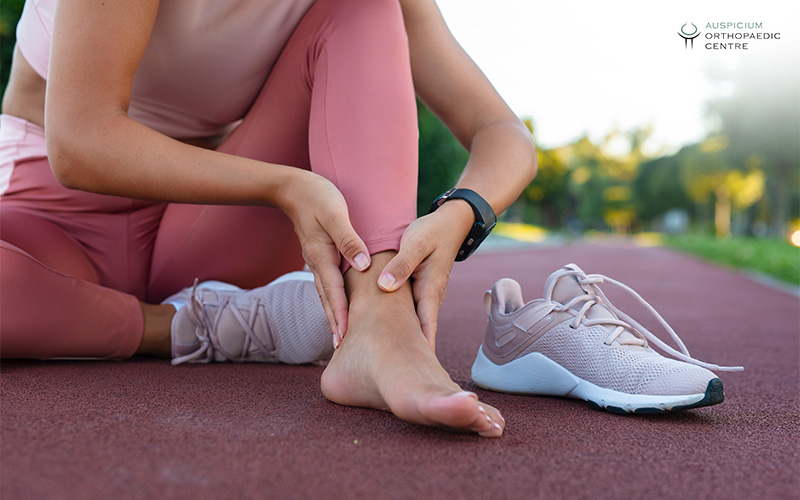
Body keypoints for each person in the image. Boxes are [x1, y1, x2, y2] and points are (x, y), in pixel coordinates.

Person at [0, 0, 537, 437]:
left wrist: (464, 210)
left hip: (204, 226)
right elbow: (78, 143)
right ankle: (189, 326)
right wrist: (282, 184)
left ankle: (380, 328)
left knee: (367, 6)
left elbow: (502, 130)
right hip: (50, 223)